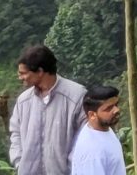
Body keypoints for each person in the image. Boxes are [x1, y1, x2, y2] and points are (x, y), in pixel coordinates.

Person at [10, 44, 89, 175]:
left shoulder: (76, 96)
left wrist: (72, 168)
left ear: (40, 71)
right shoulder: (23, 101)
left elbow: (84, 136)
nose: (20, 78)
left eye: (23, 73)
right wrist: (19, 162)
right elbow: (15, 133)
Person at [71, 88, 125, 175]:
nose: (116, 110)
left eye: (116, 105)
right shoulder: (91, 153)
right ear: (92, 115)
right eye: (109, 108)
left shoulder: (103, 128)